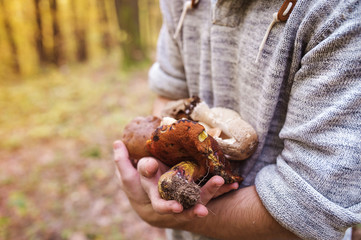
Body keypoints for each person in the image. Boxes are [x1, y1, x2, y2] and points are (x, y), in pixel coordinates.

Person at [114, 0, 361, 239]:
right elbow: (168, 97)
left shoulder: (341, 9)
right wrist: (155, 172)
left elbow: (311, 209)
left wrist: (167, 216)